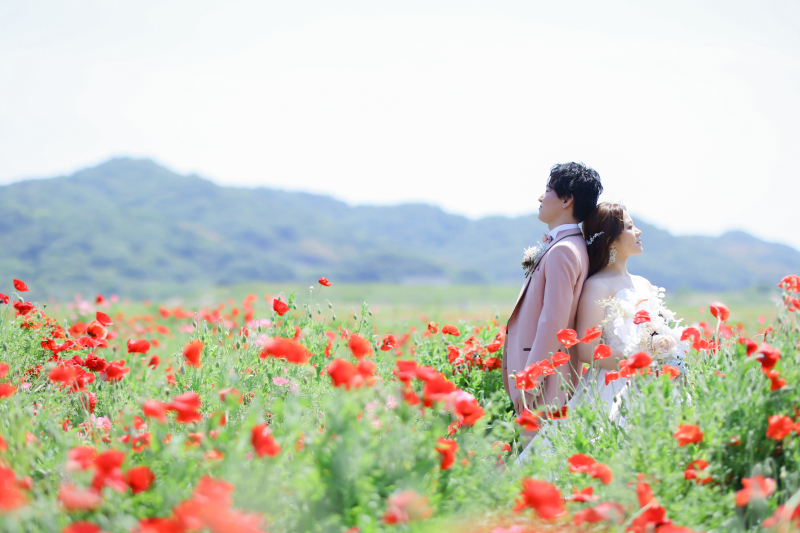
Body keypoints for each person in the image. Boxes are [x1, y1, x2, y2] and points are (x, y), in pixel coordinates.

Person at [517, 203, 689, 461]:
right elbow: (587, 350)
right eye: (630, 227)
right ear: (611, 241)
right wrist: (640, 363)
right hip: (614, 384)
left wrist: (666, 353)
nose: (639, 232)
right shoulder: (596, 287)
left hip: (657, 380)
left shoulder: (643, 283)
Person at [502, 162, 603, 443]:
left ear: (567, 199)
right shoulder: (569, 246)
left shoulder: (564, 251)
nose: (540, 198)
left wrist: (531, 379)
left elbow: (553, 321)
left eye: (547, 190)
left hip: (545, 382)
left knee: (537, 465)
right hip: (546, 377)